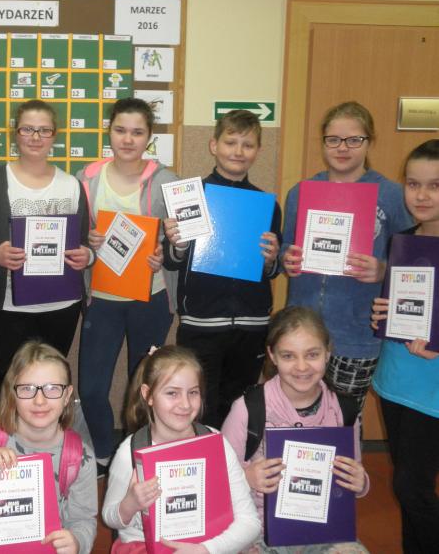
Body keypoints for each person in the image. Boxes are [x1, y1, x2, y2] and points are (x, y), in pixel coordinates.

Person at [281, 101, 413, 410]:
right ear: (323, 142)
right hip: (302, 331)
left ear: (369, 141)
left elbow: (414, 264)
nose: (343, 148)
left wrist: (383, 270)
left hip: (358, 334)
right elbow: (287, 245)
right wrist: (288, 258)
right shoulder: (301, 192)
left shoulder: (392, 195)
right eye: (334, 139)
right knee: (296, 416)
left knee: (345, 419)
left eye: (354, 139)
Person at [76, 97, 178, 473]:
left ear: (149, 137)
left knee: (146, 388)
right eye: (120, 130)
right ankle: (104, 452)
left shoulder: (167, 181)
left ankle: (139, 455)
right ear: (109, 132)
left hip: (151, 296)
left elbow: (183, 244)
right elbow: (75, 239)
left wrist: (165, 254)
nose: (128, 139)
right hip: (102, 297)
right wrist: (88, 241)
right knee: (91, 387)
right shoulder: (86, 178)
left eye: (137, 132)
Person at [163, 109, 282, 429]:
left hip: (251, 325)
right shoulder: (191, 197)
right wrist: (177, 243)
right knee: (198, 407)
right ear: (214, 145)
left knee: (239, 410)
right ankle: (202, 458)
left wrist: (271, 258)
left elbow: (273, 269)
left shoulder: (267, 205)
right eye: (231, 142)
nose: (238, 151)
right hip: (201, 323)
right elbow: (171, 261)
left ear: (258, 151)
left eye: (248, 145)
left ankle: (233, 461)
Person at [222, 306, 369, 552]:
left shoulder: (344, 409)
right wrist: (246, 478)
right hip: (259, 531)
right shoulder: (248, 409)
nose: (302, 367)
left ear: (328, 353)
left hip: (323, 529)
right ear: (272, 355)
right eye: (288, 356)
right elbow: (219, 482)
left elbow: (353, 472)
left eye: (312, 354)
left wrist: (360, 482)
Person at [0, 99, 92, 379]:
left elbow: (84, 244)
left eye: (44, 130)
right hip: (8, 307)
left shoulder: (72, 185)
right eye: (27, 129)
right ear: (15, 133)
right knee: (12, 386)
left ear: (54, 135)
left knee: (51, 385)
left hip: (61, 307)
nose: (35, 137)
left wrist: (87, 256)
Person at [103, 345, 260, 552]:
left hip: (207, 546)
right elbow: (110, 517)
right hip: (144, 546)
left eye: (193, 392)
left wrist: (206, 549)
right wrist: (130, 503)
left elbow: (250, 521)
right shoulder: (129, 452)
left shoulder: (216, 444)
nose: (185, 404)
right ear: (148, 395)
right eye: (172, 393)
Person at [0, 341, 97, 554]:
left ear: (67, 396)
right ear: (12, 393)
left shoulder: (80, 457)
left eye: (52, 388)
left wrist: (77, 542)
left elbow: (83, 519)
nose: (39, 400)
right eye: (27, 388)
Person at [370, 139, 439, 553]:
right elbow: (401, 308)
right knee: (408, 485)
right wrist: (383, 313)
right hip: (394, 380)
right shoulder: (403, 241)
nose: (422, 195)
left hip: (431, 392)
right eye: (413, 184)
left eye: (435, 185)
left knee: (412, 487)